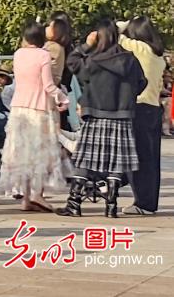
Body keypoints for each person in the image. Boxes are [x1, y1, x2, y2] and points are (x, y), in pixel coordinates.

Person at [58, 19, 147, 218]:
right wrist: (127, 98)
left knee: (86, 158)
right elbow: (142, 83)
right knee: (116, 161)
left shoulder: (93, 60)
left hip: (96, 114)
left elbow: (72, 61)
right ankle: (111, 206)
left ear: (99, 36)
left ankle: (74, 204)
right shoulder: (130, 59)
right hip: (122, 116)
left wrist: (87, 44)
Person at [0, 23, 70, 212]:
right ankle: (37, 195)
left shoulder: (19, 54)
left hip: (19, 110)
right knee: (40, 155)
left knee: (23, 155)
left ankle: (26, 198)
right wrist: (63, 99)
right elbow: (48, 85)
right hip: (39, 109)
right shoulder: (43, 55)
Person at [119, 16, 165, 216]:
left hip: (139, 107)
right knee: (151, 159)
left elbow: (114, 35)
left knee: (138, 157)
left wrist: (125, 23)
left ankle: (143, 203)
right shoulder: (158, 56)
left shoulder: (140, 48)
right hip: (154, 108)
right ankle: (148, 202)